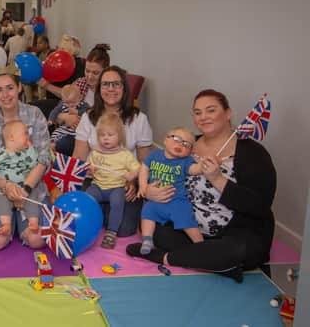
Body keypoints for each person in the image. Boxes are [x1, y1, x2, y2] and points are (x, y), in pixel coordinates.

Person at [127, 90, 276, 283]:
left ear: (228, 113)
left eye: (210, 110)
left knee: (238, 250)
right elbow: (158, 171)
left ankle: (165, 257)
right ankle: (214, 263)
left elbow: (259, 206)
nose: (203, 117)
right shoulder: (187, 144)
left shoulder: (253, 153)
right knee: (151, 223)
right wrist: (150, 192)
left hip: (232, 234)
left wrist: (217, 179)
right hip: (188, 226)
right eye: (197, 113)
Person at [72, 66, 154, 237]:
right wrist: (84, 169)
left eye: (116, 84)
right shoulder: (88, 117)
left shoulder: (139, 119)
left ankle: (107, 209)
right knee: (79, 219)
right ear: (98, 88)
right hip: (94, 181)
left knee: (124, 230)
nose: (110, 89)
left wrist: (134, 182)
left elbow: (145, 162)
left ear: (124, 88)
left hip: (123, 184)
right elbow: (78, 157)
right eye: (106, 84)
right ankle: (103, 208)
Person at [0, 70, 50, 250]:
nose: (5, 95)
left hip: (30, 185)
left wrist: (24, 190)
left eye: (10, 88)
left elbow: (43, 159)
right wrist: (8, 187)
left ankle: (19, 219)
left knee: (37, 239)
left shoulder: (35, 114)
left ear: (19, 88)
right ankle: (3, 220)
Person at [137, 127, 204, 255]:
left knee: (187, 221)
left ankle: (200, 244)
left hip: (177, 200)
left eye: (186, 144)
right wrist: (142, 186)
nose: (180, 144)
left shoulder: (185, 161)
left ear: (190, 152)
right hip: (156, 201)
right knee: (147, 212)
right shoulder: (155, 155)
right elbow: (144, 168)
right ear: (165, 140)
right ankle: (147, 240)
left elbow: (194, 169)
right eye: (177, 139)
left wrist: (203, 166)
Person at [40, 44, 112, 154]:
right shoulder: (80, 83)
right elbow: (62, 106)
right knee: (40, 108)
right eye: (87, 71)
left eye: (95, 73)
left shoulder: (108, 91)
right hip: (68, 129)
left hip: (89, 134)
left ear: (105, 72)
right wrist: (64, 117)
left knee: (64, 144)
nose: (90, 76)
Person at [86, 113, 140, 249]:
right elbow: (87, 168)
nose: (106, 138)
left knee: (117, 202)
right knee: (88, 198)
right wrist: (89, 171)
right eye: (102, 135)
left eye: (110, 135)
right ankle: (89, 226)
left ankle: (111, 232)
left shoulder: (125, 154)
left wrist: (132, 175)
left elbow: (139, 169)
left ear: (119, 136)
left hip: (116, 187)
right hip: (98, 186)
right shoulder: (95, 152)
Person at [0, 120, 40, 235]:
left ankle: (33, 221)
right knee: (2, 201)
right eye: (25, 133)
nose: (28, 136)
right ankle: (6, 224)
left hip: (23, 187)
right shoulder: (0, 153)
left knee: (32, 198)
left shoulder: (25, 153)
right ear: (11, 137)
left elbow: (33, 164)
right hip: (5, 189)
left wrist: (30, 149)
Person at [49, 84, 89, 154]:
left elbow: (88, 112)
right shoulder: (62, 105)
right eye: (67, 103)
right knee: (55, 134)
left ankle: (56, 147)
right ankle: (53, 146)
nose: (70, 105)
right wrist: (51, 119)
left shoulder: (83, 105)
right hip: (63, 128)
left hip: (75, 131)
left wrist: (77, 112)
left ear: (80, 98)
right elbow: (55, 111)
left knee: (71, 139)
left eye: (73, 102)